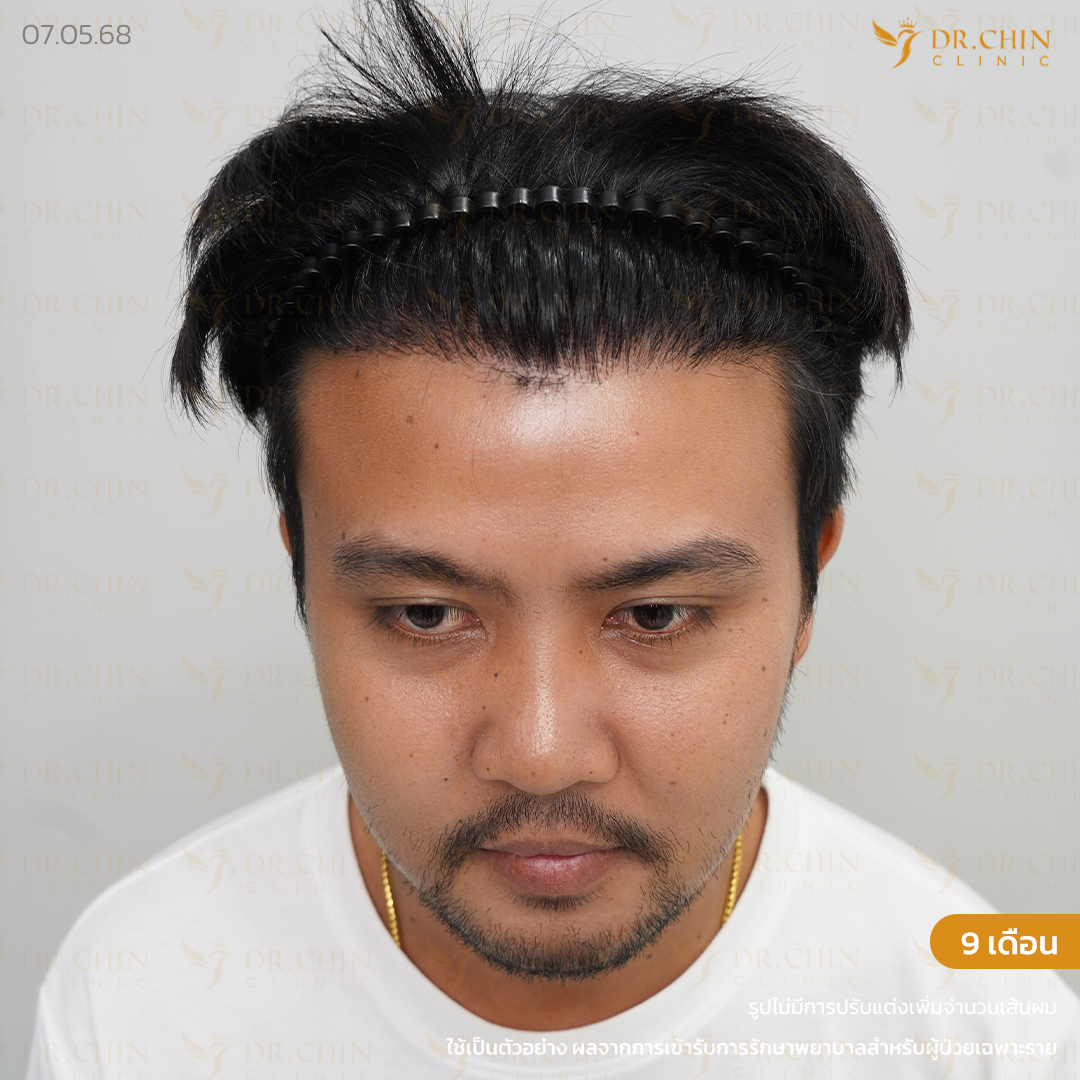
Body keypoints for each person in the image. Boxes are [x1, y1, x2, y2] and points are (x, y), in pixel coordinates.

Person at [26, 0, 1079, 1074]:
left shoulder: (981, 1029)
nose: (539, 753)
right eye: (425, 614)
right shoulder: (146, 996)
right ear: (301, 571)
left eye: (655, 615)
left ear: (811, 577)